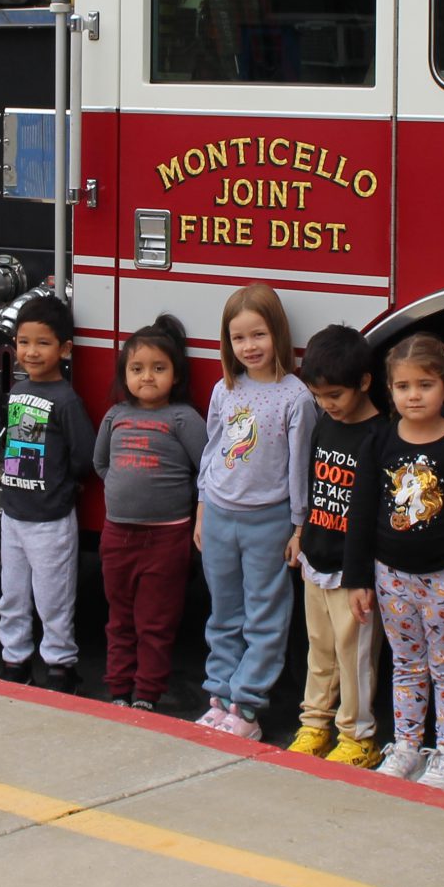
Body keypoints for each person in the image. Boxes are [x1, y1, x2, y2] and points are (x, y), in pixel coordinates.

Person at [345, 333, 444, 792]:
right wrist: (358, 579)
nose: (414, 395)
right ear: (389, 390)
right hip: (391, 577)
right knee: (407, 664)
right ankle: (407, 746)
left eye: (425, 385)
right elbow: (362, 512)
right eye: (404, 386)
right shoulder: (379, 442)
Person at [194, 283, 313, 741]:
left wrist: (298, 526)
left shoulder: (295, 396)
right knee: (223, 612)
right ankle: (219, 695)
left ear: (277, 333)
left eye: (258, 335)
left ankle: (246, 707)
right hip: (221, 514)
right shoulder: (225, 389)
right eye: (239, 338)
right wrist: (203, 507)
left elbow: (300, 467)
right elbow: (212, 450)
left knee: (265, 614)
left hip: (269, 521)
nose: (249, 347)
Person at [93, 317, 205, 713]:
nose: (147, 377)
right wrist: (127, 493)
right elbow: (101, 464)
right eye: (137, 369)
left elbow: (204, 470)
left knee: (155, 623)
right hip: (117, 535)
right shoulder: (115, 416)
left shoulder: (183, 419)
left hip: (166, 540)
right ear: (124, 374)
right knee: (119, 619)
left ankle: (146, 694)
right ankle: (118, 689)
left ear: (175, 375)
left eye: (159, 368)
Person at [286, 324, 385, 768]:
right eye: (320, 397)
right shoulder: (325, 425)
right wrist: (301, 533)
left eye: (336, 396)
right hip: (317, 556)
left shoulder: (380, 436)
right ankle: (315, 724)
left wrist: (365, 571)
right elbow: (314, 483)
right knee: (319, 649)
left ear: (365, 382)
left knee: (355, 655)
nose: (328, 406)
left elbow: (379, 513)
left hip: (354, 569)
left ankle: (358, 735)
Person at [0, 294, 95, 692]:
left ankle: (60, 665)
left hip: (50, 521)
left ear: (65, 349)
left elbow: (84, 455)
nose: (30, 352)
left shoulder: (67, 400)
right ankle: (14, 659)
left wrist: (62, 485)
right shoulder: (17, 390)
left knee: (53, 600)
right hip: (13, 514)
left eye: (42, 343)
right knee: (12, 595)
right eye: (23, 342)